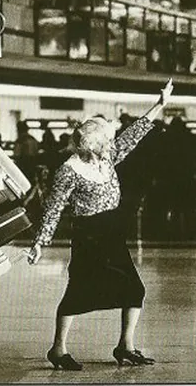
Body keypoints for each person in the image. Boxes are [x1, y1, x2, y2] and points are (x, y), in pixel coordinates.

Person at [27, 79, 174, 371]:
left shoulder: (106, 158)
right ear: (93, 144)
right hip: (89, 236)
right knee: (78, 292)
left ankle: (125, 346)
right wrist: (39, 243)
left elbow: (134, 134)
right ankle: (58, 349)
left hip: (111, 232)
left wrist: (159, 104)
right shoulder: (69, 170)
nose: (111, 143)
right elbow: (54, 208)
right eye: (107, 139)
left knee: (134, 290)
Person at [13, 120, 39, 184]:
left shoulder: (20, 140)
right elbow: (36, 151)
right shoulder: (33, 139)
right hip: (33, 164)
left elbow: (17, 154)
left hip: (23, 165)